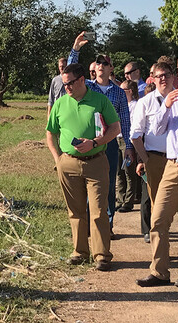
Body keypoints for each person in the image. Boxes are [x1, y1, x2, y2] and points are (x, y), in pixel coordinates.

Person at [134, 53, 178, 288]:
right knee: (158, 218)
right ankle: (159, 271)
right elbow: (158, 129)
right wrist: (166, 106)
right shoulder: (174, 98)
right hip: (172, 166)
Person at [46, 62, 121, 271]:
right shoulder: (61, 104)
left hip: (96, 161)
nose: (66, 88)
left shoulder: (100, 100)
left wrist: (95, 143)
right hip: (68, 163)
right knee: (75, 211)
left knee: (98, 210)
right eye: (64, 84)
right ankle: (80, 252)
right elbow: (50, 132)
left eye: (70, 83)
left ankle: (102, 255)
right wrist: (57, 158)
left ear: (81, 80)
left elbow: (115, 128)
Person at [68, 33, 134, 235]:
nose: (101, 66)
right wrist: (76, 49)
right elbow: (71, 72)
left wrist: (129, 147)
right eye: (98, 63)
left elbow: (125, 121)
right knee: (88, 184)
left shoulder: (118, 93)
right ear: (94, 68)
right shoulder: (87, 87)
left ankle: (107, 226)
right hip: (88, 142)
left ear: (111, 68)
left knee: (109, 185)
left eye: (105, 63)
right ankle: (89, 225)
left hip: (110, 143)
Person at [116, 79, 145, 216]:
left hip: (128, 141)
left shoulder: (135, 105)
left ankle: (129, 201)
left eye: (123, 90)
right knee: (119, 171)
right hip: (117, 138)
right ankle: (120, 199)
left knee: (129, 171)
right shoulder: (121, 105)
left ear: (130, 91)